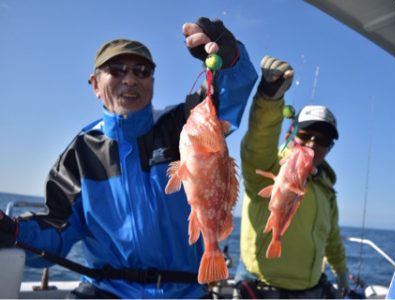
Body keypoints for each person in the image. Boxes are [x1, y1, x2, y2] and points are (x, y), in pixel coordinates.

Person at [0, 17, 257, 299]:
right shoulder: (81, 154)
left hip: (186, 291)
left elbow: (227, 99)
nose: (131, 79)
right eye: (117, 70)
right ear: (95, 83)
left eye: (142, 71)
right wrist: (13, 231)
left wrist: (230, 61)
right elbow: (56, 229)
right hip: (105, 290)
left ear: (153, 82)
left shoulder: (181, 124)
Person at [235, 56, 349, 298]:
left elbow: (332, 238)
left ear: (329, 147)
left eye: (323, 140)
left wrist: (340, 270)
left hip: (311, 291)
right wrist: (270, 98)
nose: (312, 143)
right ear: (291, 132)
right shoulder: (270, 167)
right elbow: (258, 144)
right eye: (306, 134)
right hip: (262, 290)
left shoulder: (327, 189)